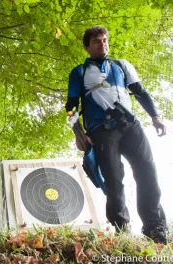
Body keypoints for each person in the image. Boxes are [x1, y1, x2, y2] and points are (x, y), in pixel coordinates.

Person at [65, 26, 168, 243]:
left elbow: (140, 92)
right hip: (101, 130)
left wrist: (155, 116)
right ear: (86, 47)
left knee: (147, 172)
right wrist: (78, 132)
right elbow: (71, 106)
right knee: (113, 179)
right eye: (96, 41)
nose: (102, 44)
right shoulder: (79, 72)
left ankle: (155, 228)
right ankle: (122, 229)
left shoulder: (121, 66)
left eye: (104, 40)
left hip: (131, 126)